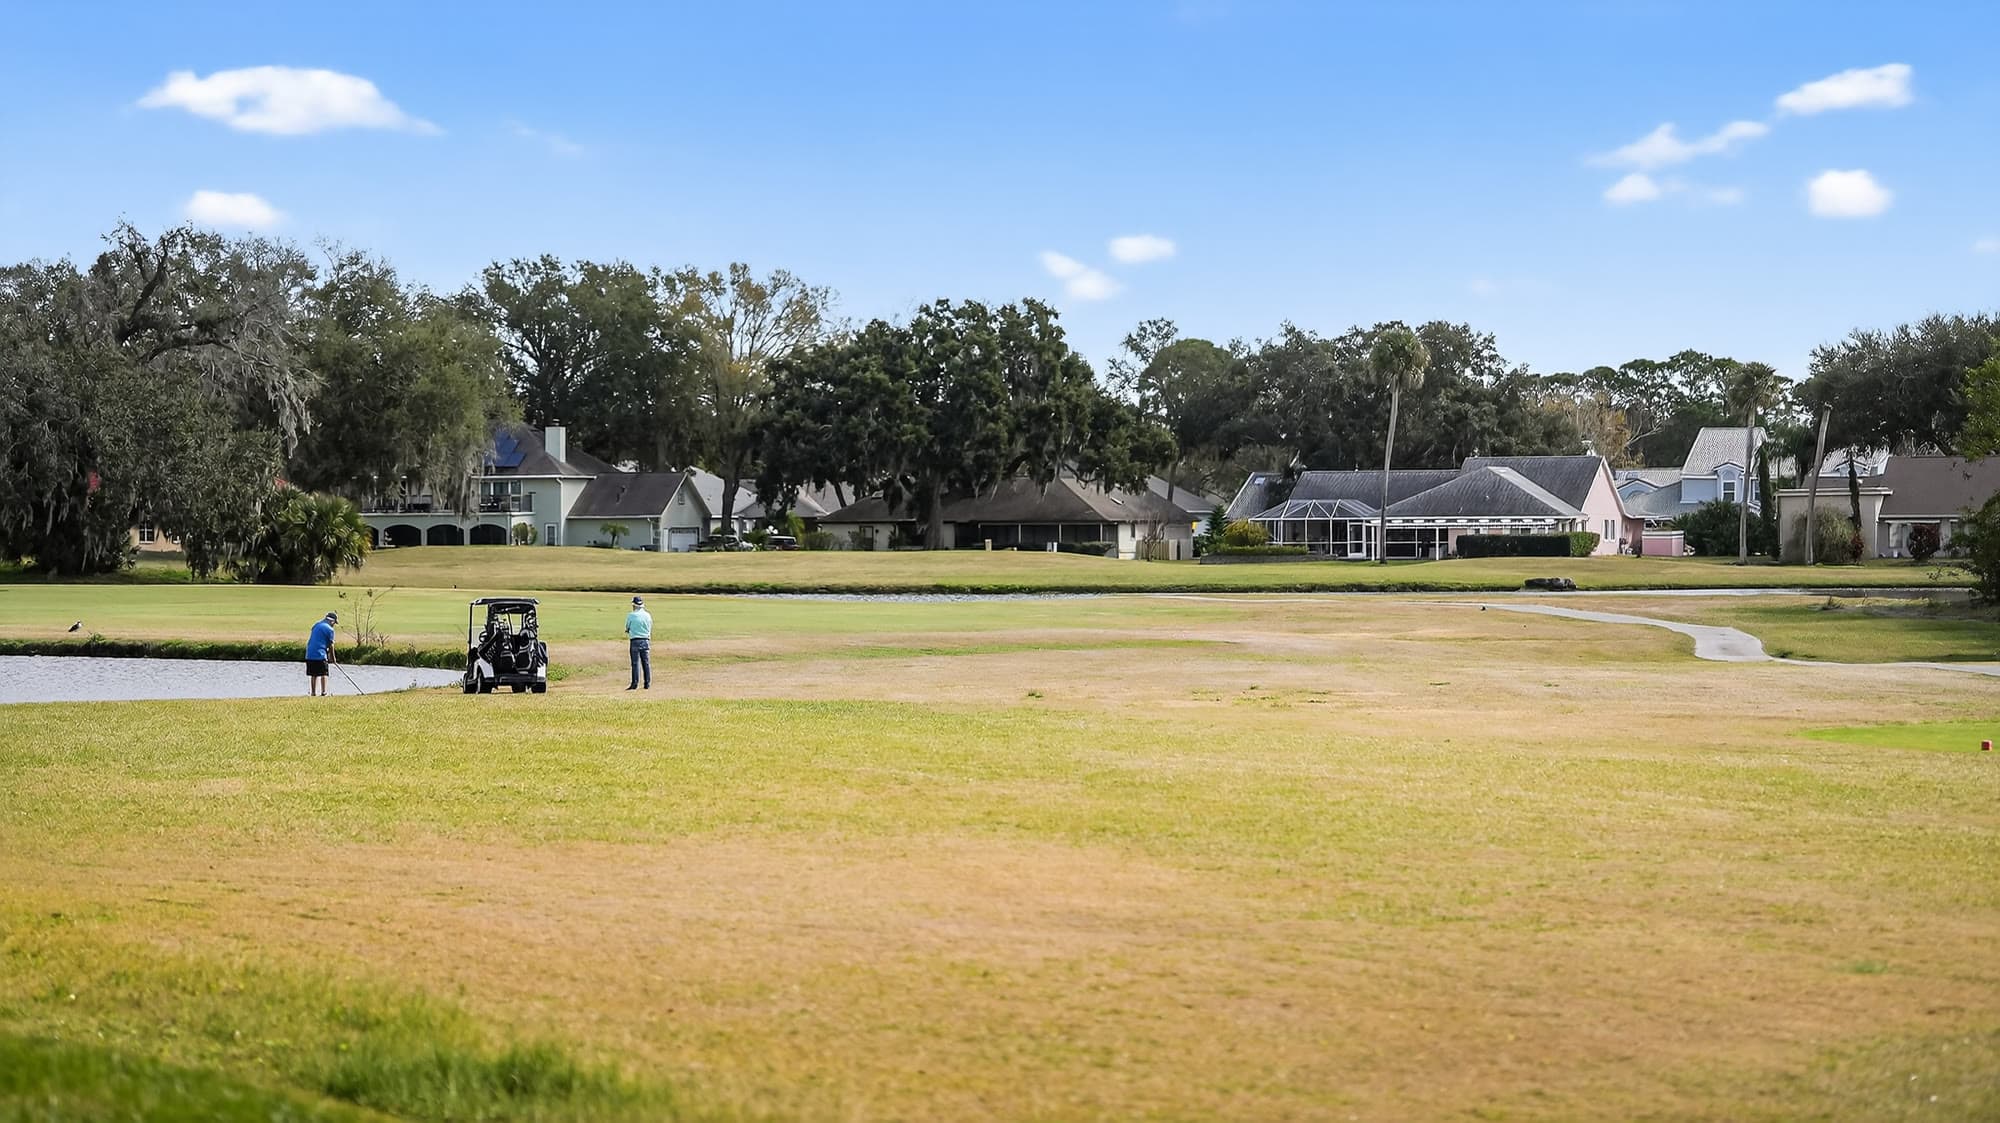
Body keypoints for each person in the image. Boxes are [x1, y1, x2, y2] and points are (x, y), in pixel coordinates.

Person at [306, 611, 338, 697]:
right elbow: (331, 645)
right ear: (332, 621)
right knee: (324, 673)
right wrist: (333, 659)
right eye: (334, 623)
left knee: (314, 674)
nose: (334, 625)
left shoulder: (316, 625)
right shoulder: (330, 629)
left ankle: (313, 693)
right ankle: (324, 692)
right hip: (320, 654)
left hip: (310, 653)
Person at [624, 595, 653, 690]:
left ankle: (635, 683)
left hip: (635, 640)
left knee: (635, 663)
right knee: (646, 662)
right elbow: (650, 626)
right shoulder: (648, 615)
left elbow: (627, 627)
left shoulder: (631, 615)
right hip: (645, 640)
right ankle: (647, 683)